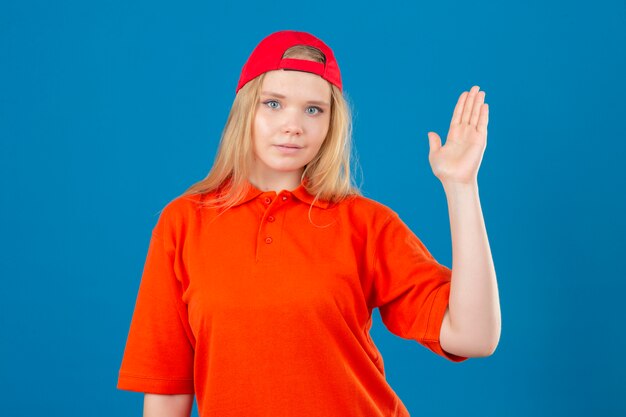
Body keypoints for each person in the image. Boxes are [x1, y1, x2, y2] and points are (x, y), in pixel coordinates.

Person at [117, 30, 501, 417]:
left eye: (313, 110)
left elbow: (474, 337)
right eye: (273, 103)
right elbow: (167, 389)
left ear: (332, 123)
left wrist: (461, 186)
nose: (293, 125)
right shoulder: (184, 222)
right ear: (244, 109)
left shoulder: (365, 223)